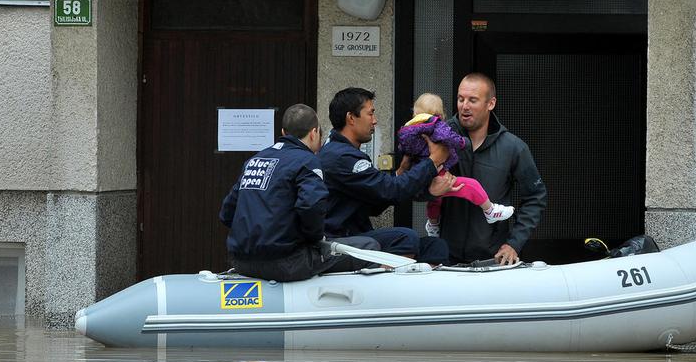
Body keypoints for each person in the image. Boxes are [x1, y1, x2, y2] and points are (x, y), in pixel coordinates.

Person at [219, 103, 379, 281]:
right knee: (369, 247)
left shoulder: (254, 161)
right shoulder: (307, 161)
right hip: (287, 263)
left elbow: (227, 213)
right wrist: (315, 238)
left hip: (242, 262)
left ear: (283, 132)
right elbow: (311, 205)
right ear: (313, 133)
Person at [318, 87, 455, 264]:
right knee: (406, 238)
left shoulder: (345, 152)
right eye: (370, 114)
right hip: (340, 241)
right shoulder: (341, 157)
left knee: (436, 247)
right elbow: (391, 191)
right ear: (351, 118)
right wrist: (433, 161)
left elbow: (375, 204)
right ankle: (384, 286)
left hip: (358, 237)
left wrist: (402, 170)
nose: (375, 121)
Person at [438, 74, 547, 265]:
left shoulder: (513, 147)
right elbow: (415, 185)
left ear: (491, 103)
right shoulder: (441, 138)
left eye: (473, 100)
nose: (464, 106)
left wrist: (514, 243)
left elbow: (535, 197)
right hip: (444, 257)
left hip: (492, 259)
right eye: (460, 99)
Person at [397, 92, 514, 237]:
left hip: (419, 173)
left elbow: (403, 149)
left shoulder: (407, 130)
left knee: (435, 200)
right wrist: (463, 142)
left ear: (415, 111)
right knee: (470, 185)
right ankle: (490, 210)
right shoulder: (435, 124)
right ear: (439, 113)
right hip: (436, 172)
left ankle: (433, 225)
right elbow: (447, 137)